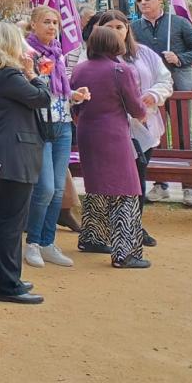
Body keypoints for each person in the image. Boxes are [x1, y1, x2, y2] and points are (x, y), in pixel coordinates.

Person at [0, 21, 51, 305]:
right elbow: (42, 98)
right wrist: (32, 74)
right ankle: (7, 284)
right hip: (16, 155)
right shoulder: (9, 75)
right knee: (11, 222)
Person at [70, 27, 151, 269]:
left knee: (96, 186)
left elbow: (74, 102)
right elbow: (136, 107)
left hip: (86, 131)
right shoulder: (120, 70)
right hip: (113, 134)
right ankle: (125, 252)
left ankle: (92, 237)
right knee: (125, 189)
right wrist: (144, 113)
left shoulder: (80, 69)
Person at [92, 10, 172, 248]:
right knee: (119, 179)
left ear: (127, 29)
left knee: (139, 176)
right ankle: (116, 228)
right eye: (110, 27)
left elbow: (164, 79)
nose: (116, 32)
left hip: (144, 126)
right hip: (113, 129)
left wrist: (153, 95)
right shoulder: (97, 60)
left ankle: (134, 224)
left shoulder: (145, 53)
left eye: (120, 27)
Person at [23, 6, 89, 271]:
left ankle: (48, 242)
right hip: (40, 124)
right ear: (33, 25)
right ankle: (33, 242)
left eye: (55, 23)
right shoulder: (27, 53)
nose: (52, 27)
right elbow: (35, 86)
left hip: (62, 122)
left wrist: (74, 94)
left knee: (59, 189)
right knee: (46, 188)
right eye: (46, 22)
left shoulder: (58, 53)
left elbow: (58, 88)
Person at [132, 0, 192, 207]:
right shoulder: (134, 28)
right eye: (139, 0)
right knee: (156, 134)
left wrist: (180, 58)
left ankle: (190, 187)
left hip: (181, 83)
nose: (143, 3)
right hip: (150, 89)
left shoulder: (179, 23)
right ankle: (160, 185)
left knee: (185, 133)